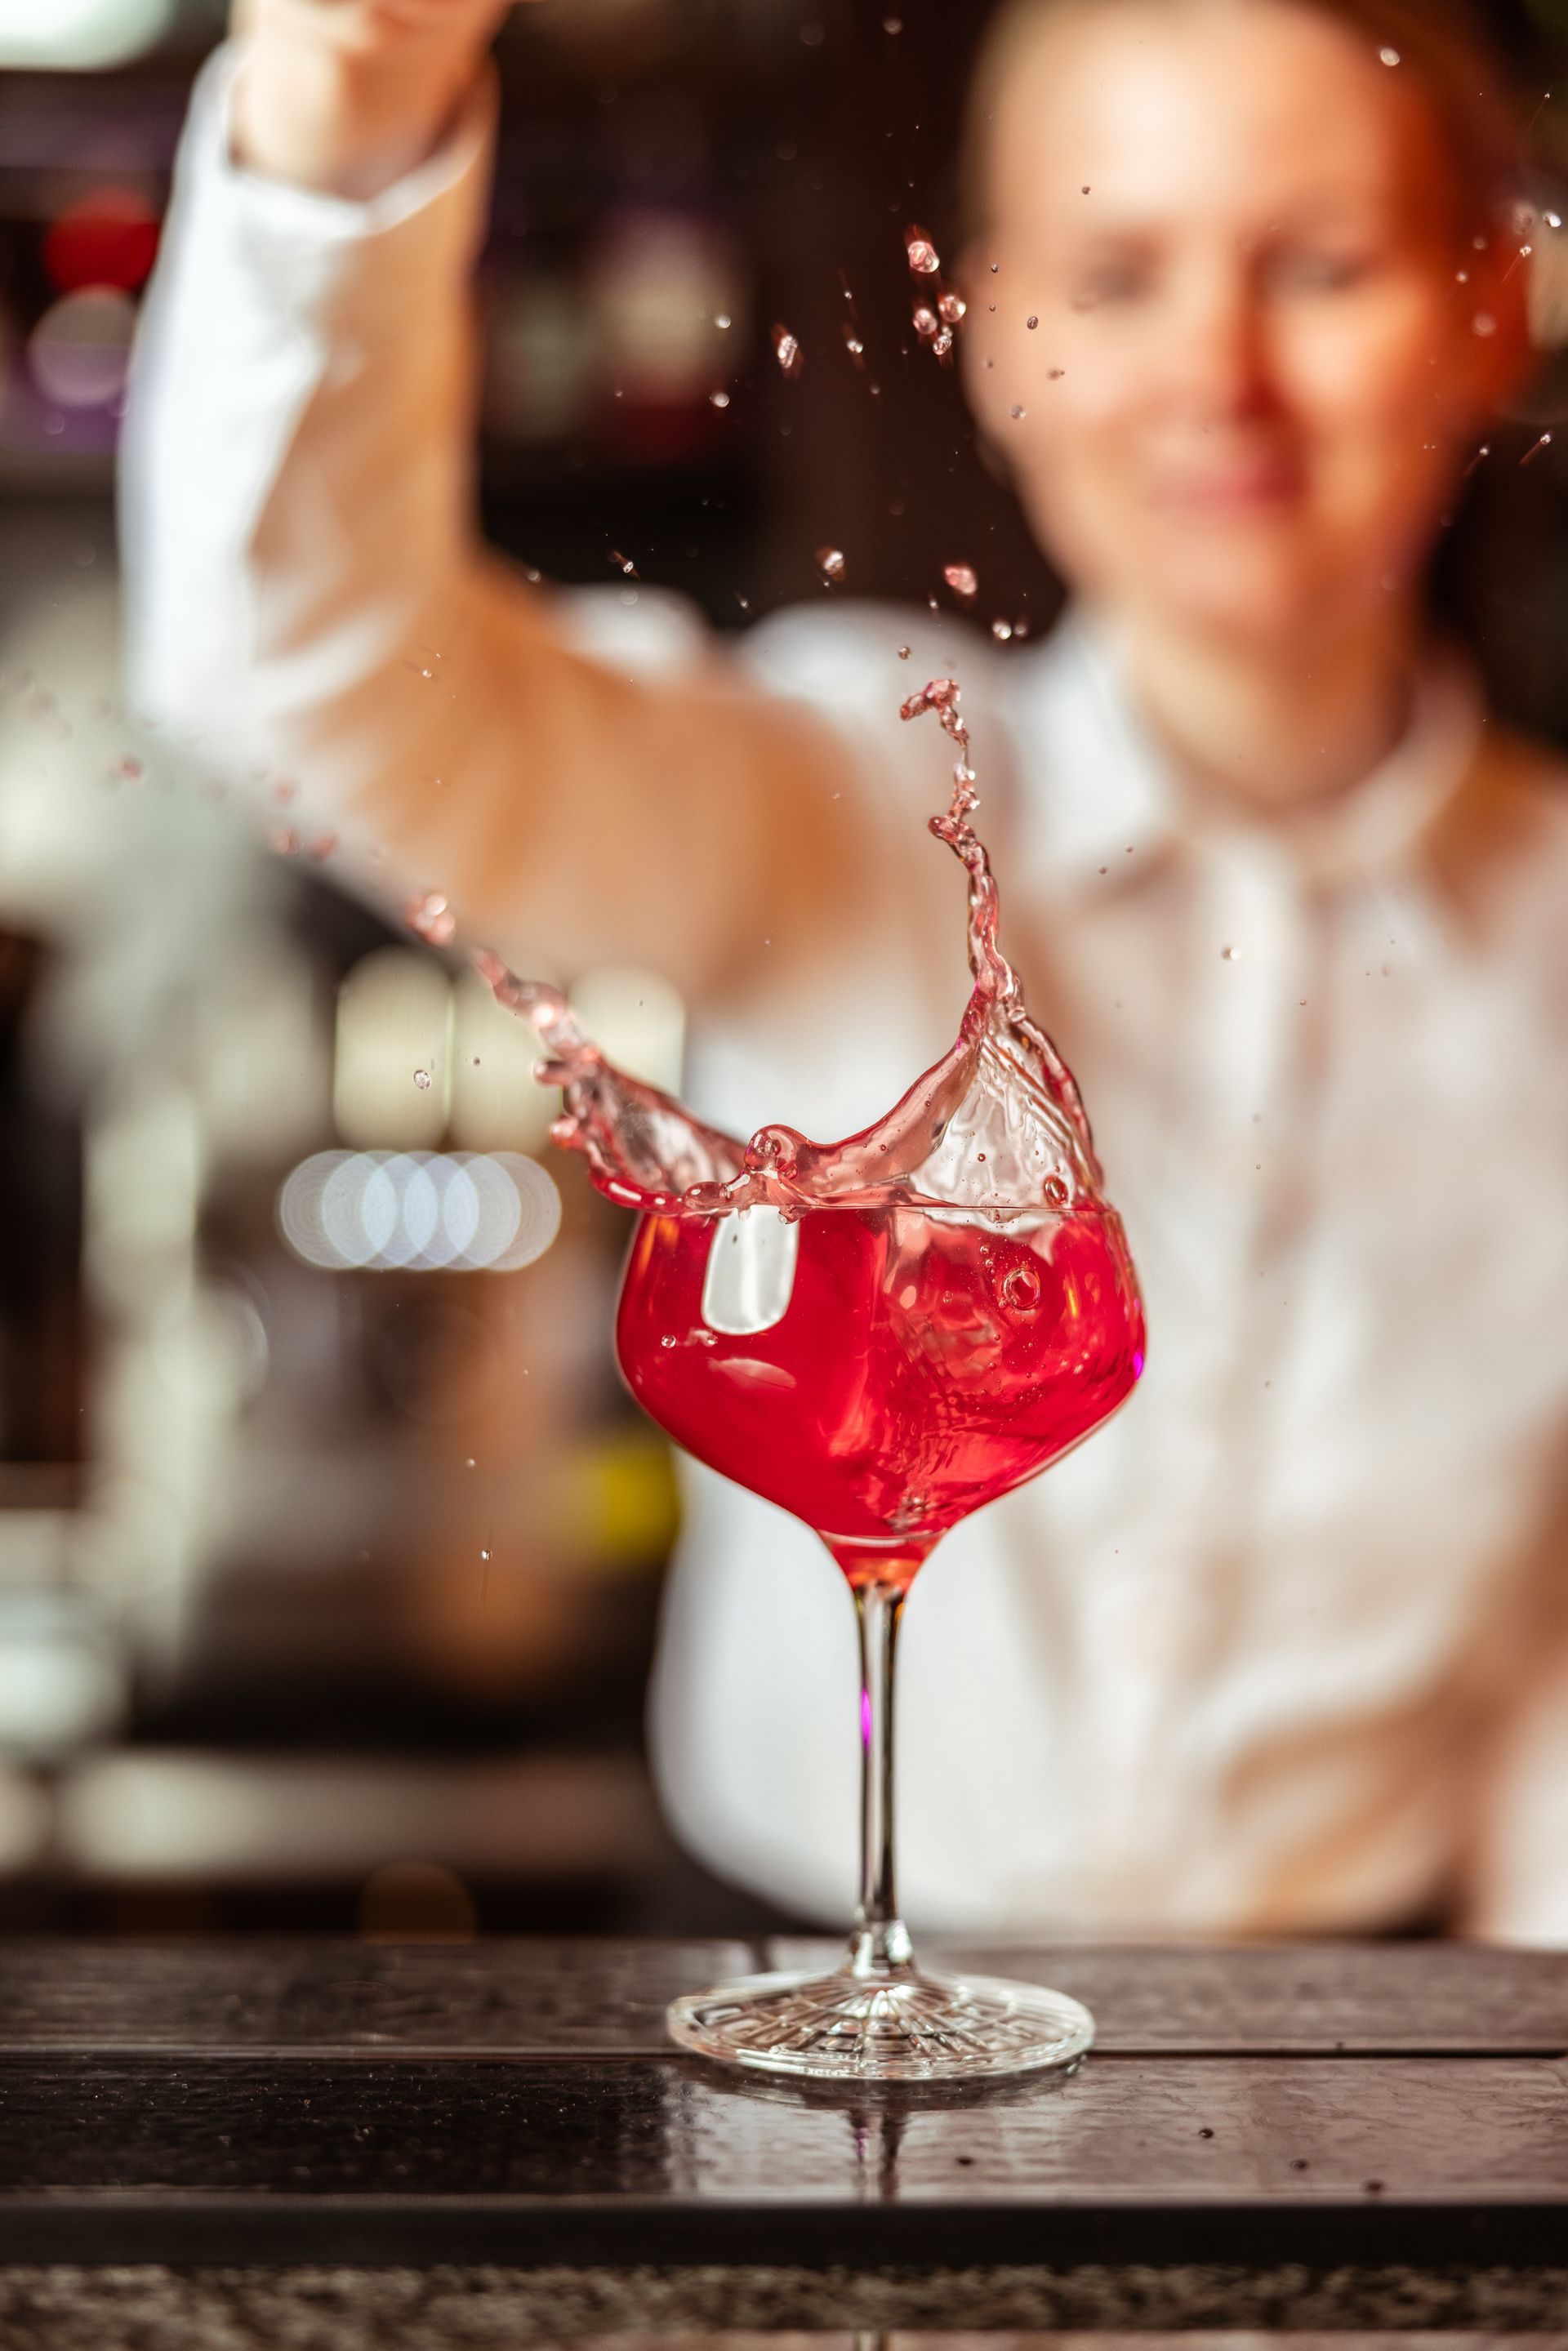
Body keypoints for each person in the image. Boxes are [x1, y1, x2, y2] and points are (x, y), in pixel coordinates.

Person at [122, 0, 1568, 1939]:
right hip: (780, 2006)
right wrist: (343, 116)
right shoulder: (851, 780)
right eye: (1116, 274)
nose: (1216, 374)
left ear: (1491, 304)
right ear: (990, 336)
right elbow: (306, 692)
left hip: (1347, 2073)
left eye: (1318, 265)